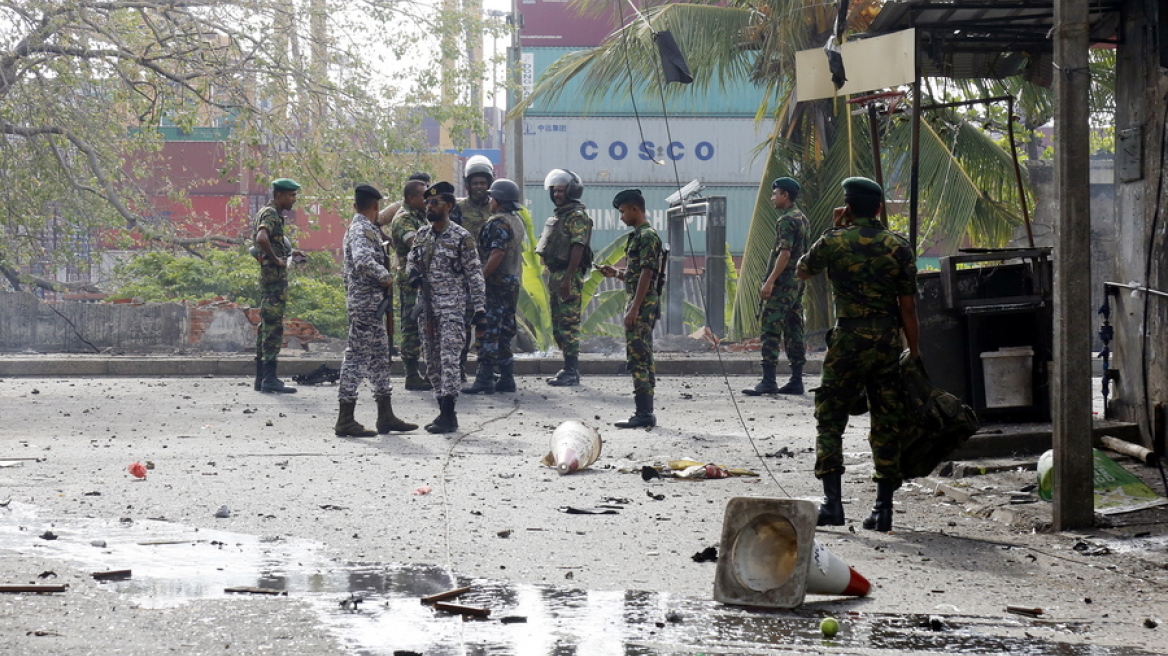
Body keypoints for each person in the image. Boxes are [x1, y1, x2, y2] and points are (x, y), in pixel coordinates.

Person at [797, 176, 920, 532]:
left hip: (848, 340)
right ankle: (883, 509)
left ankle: (833, 505)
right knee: (886, 420)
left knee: (831, 417)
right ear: (879, 208)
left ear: (848, 208)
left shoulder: (834, 241)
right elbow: (908, 308)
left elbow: (802, 270)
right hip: (885, 342)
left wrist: (836, 228)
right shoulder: (898, 246)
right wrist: (915, 351)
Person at [334, 185, 417, 437]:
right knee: (357, 358)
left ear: (355, 205)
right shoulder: (360, 228)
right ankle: (345, 418)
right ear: (376, 206)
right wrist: (385, 276)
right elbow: (362, 260)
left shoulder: (366, 228)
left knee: (381, 358)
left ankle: (386, 415)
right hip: (365, 303)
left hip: (374, 305)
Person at [406, 181, 486, 434]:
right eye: (427, 203)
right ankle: (442, 409)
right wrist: (413, 274)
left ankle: (449, 414)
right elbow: (411, 261)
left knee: (450, 361)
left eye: (435, 203)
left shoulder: (461, 237)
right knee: (432, 362)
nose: (429, 207)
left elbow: (474, 274)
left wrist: (480, 310)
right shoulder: (422, 235)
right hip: (427, 309)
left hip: (451, 309)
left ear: (448, 206)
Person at [599, 189, 663, 428]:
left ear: (635, 209)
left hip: (642, 305)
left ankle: (644, 413)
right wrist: (616, 273)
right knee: (642, 355)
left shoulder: (646, 236)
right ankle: (644, 411)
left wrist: (634, 308)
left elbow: (647, 273)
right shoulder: (639, 236)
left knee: (639, 357)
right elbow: (637, 274)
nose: (622, 217)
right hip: (642, 303)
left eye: (623, 211)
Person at [744, 177, 810, 396]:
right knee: (794, 329)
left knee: (771, 329)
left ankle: (769, 380)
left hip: (782, 284)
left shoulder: (786, 220)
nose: (772, 198)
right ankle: (796, 379)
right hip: (796, 284)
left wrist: (770, 281)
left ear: (785, 196)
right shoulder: (803, 218)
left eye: (775, 194)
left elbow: (785, 254)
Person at [463, 178, 525, 395]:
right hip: (512, 283)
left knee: (489, 330)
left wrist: (480, 278)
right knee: (506, 329)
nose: (488, 200)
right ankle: (507, 378)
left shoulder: (498, 223)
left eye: (492, 197)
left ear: (498, 200)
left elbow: (497, 253)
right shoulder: (516, 221)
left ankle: (485, 378)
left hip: (496, 285)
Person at [537, 168, 592, 387]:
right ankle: (567, 368)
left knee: (569, 324)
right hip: (557, 274)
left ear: (571, 191)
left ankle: (572, 370)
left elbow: (578, 247)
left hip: (569, 275)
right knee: (559, 324)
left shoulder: (576, 216)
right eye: (555, 191)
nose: (558, 194)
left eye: (561, 191)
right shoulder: (562, 216)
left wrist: (568, 279)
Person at [251, 177, 303, 394]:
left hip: (271, 280)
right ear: (280, 195)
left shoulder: (270, 213)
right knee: (272, 328)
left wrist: (290, 254)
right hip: (273, 282)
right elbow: (261, 238)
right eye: (291, 195)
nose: (294, 200)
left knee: (266, 327)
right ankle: (270, 379)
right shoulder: (271, 214)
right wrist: (275, 260)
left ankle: (261, 378)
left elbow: (270, 241)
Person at [390, 179, 433, 391]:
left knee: (425, 326)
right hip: (410, 280)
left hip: (424, 279)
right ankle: (411, 373)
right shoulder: (404, 219)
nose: (426, 201)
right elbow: (415, 244)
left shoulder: (421, 217)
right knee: (411, 325)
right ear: (410, 198)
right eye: (422, 196)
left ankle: (427, 372)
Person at [456, 155, 496, 380]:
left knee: (487, 325)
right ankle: (458, 368)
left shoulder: (496, 208)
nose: (479, 187)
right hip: (465, 278)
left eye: (483, 182)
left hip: (491, 276)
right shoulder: (458, 209)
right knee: (462, 325)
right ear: (468, 184)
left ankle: (486, 371)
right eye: (475, 183)